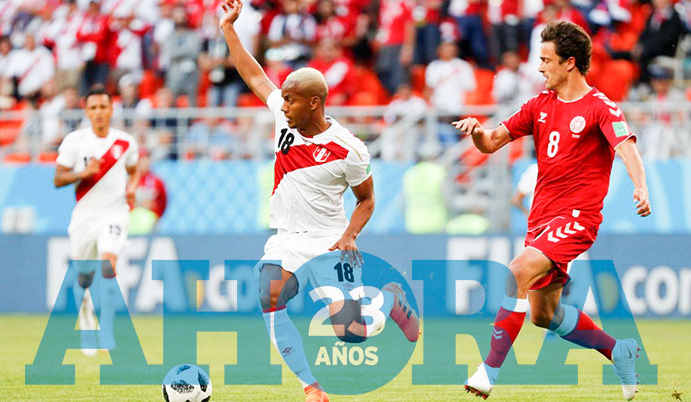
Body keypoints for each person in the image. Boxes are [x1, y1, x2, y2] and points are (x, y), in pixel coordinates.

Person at [218, 1, 420, 401]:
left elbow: (367, 200)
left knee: (352, 333)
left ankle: (390, 301)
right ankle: (311, 386)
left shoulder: (349, 148)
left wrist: (350, 235)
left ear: (314, 102)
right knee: (269, 292)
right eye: (283, 99)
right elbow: (254, 75)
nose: (282, 105)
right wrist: (228, 29)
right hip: (287, 237)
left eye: (290, 100)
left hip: (330, 241)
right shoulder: (284, 117)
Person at [453, 20, 651, 400]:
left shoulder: (600, 107)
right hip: (541, 219)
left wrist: (640, 187)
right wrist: (477, 131)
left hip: (577, 218)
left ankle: (488, 371)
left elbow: (626, 148)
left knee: (517, 271)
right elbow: (491, 143)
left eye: (546, 60)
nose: (540, 67)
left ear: (569, 62)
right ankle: (617, 351)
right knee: (544, 315)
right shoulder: (539, 105)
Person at [54, 84, 140, 354]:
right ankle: (86, 319)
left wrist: (132, 188)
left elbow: (134, 171)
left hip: (114, 213)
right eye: (93, 108)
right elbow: (58, 179)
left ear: (112, 109)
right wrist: (83, 173)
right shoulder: (74, 141)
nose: (99, 112)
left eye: (103, 106)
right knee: (84, 277)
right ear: (86, 111)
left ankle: (108, 329)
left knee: (108, 266)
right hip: (85, 216)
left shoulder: (125, 142)